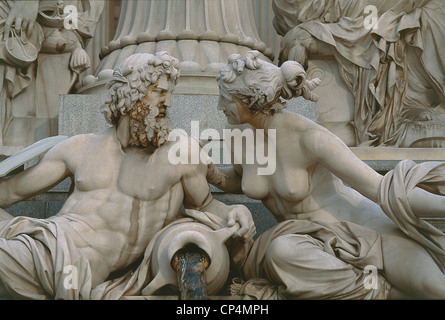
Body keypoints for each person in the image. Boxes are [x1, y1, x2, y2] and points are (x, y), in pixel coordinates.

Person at [0, 51, 256, 299]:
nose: (166, 102)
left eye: (169, 94)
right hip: (47, 242)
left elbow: (205, 206)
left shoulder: (180, 152)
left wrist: (239, 212)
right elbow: (10, 192)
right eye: (158, 92)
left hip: (76, 269)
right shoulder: (78, 147)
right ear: (129, 94)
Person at [207, 50, 445, 299]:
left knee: (435, 290)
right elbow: (241, 179)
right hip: (305, 244)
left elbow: (381, 188)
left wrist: (441, 205)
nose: (219, 106)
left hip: (362, 230)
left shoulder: (309, 137)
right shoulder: (238, 135)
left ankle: (381, 290)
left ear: (251, 100)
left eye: (226, 99)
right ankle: (384, 293)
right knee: (281, 252)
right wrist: (211, 174)